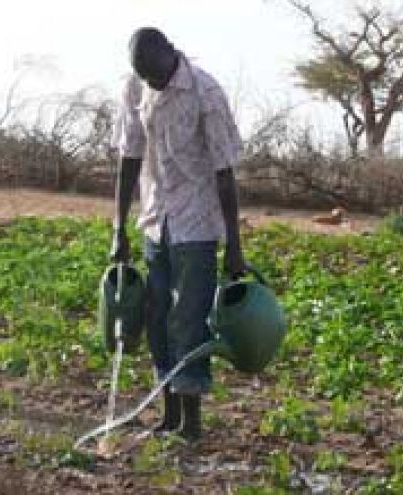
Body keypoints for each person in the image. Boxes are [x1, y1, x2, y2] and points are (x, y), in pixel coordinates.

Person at [109, 27, 246, 442]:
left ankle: (191, 422)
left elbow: (225, 173)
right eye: (145, 76)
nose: (152, 83)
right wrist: (119, 228)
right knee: (155, 317)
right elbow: (130, 158)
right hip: (158, 217)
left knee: (187, 320)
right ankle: (167, 413)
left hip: (198, 223)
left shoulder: (206, 94)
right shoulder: (136, 88)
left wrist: (234, 246)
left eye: (156, 74)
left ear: (171, 53)